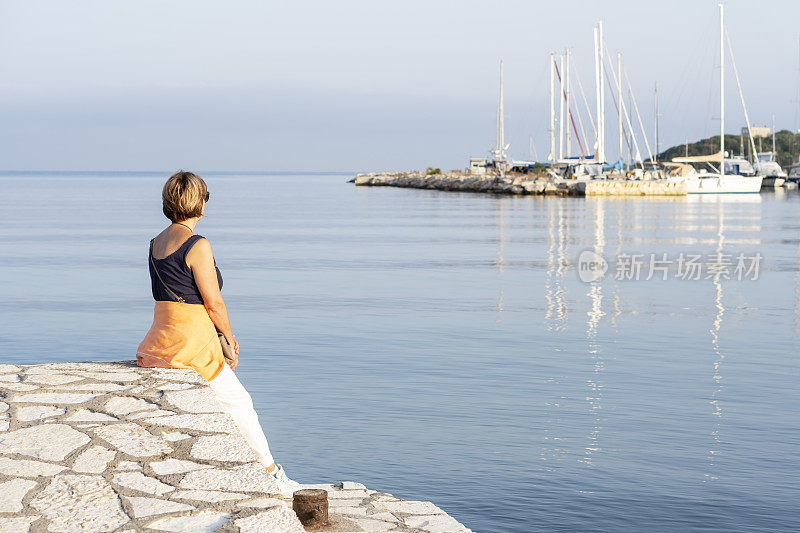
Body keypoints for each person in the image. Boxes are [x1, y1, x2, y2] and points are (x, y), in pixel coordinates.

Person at [136, 170, 301, 498]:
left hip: (159, 341)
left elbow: (170, 295)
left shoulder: (155, 243)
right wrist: (229, 337)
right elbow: (213, 303)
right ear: (201, 204)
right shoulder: (198, 245)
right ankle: (272, 475)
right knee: (240, 404)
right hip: (191, 345)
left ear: (167, 204)